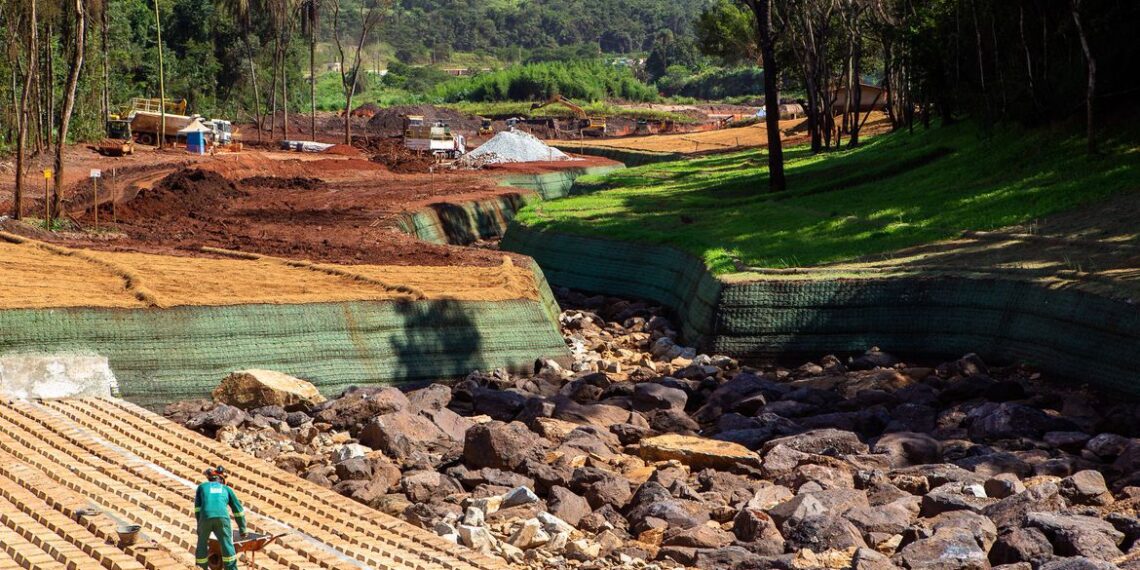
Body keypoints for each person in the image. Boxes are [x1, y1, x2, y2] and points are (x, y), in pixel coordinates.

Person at [194, 466, 247, 570]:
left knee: (202, 544)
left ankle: (200, 568)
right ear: (222, 479)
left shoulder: (202, 487)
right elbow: (238, 511)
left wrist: (200, 526)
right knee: (227, 544)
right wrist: (242, 529)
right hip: (222, 518)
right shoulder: (226, 489)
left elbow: (197, 509)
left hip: (205, 518)